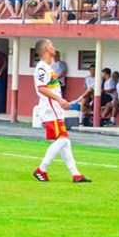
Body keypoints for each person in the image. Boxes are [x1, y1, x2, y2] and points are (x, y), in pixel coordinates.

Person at [31, 39, 91, 183]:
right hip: (50, 109)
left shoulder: (48, 67)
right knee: (63, 138)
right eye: (51, 45)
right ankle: (41, 169)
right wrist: (59, 99)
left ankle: (76, 175)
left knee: (65, 141)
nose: (54, 48)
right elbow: (41, 88)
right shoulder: (41, 68)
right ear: (46, 49)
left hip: (54, 109)